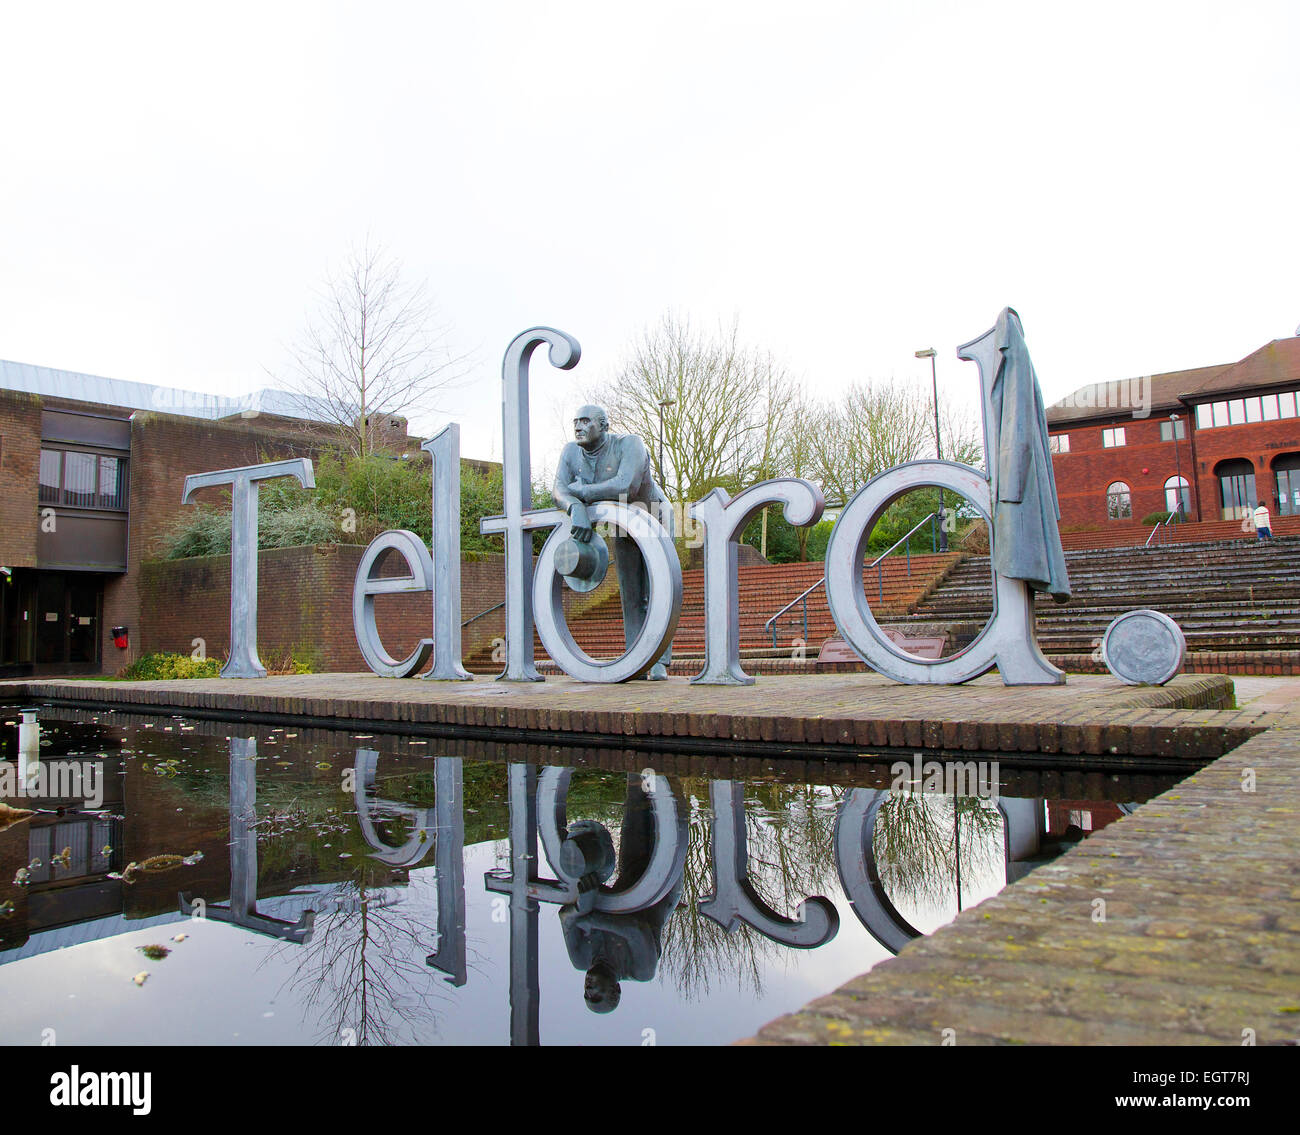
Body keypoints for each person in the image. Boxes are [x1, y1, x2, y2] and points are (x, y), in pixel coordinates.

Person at [552, 404, 674, 678]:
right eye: (576, 421)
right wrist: (576, 508)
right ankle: (636, 661)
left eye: (586, 421)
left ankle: (659, 662)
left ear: (605, 426)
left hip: (654, 516)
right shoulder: (571, 452)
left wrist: (583, 491)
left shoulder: (630, 444)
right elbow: (558, 490)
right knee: (631, 595)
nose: (578, 427)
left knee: (659, 591)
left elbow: (625, 486)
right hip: (623, 523)